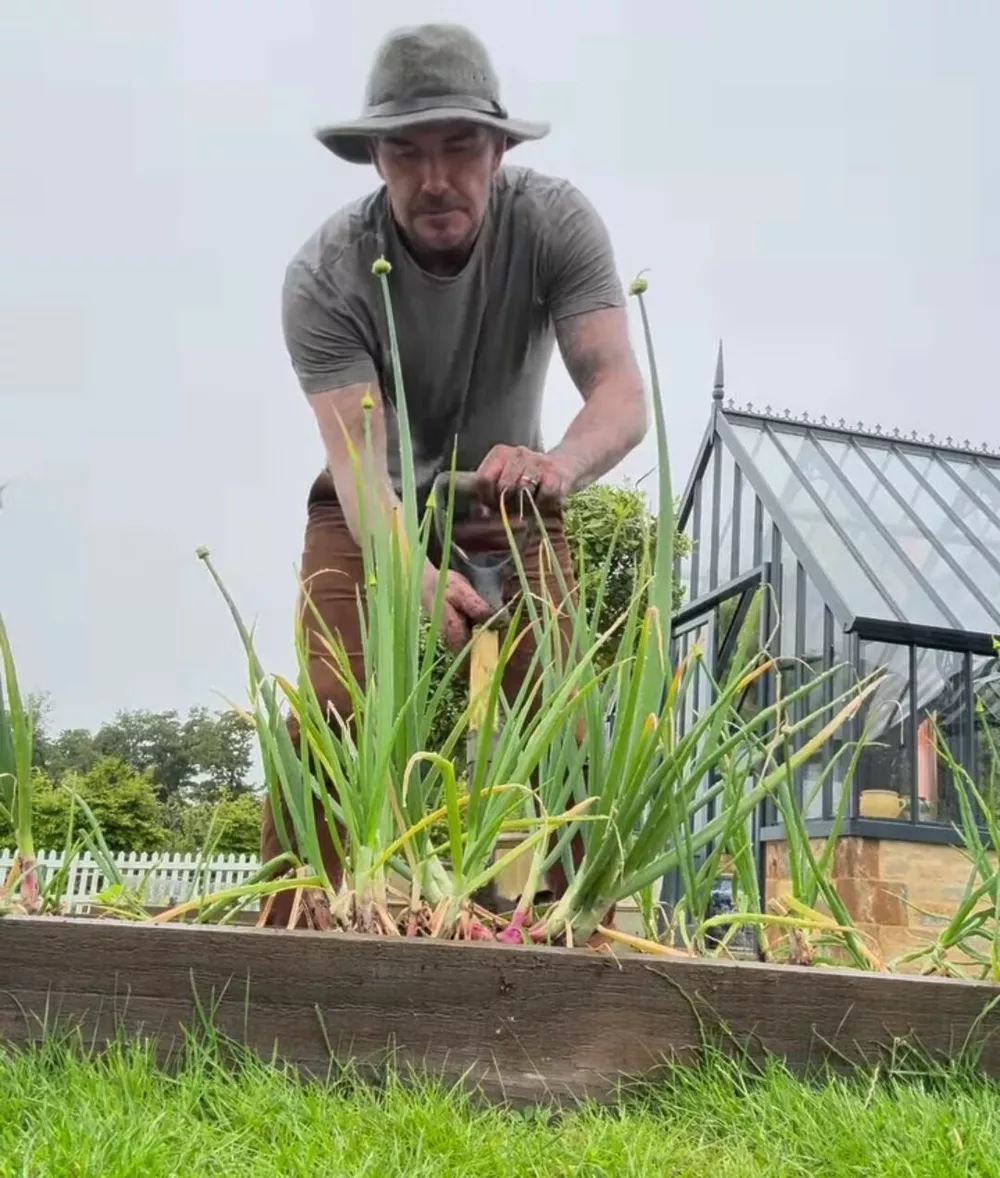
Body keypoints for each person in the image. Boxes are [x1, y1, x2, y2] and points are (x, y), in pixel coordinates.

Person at [262, 22, 648, 928]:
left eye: (460, 147)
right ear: (375, 160)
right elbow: (360, 468)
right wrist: (409, 572)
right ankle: (301, 929)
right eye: (406, 151)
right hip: (372, 511)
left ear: (501, 148)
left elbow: (620, 394)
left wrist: (558, 466)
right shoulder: (326, 276)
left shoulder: (555, 224)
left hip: (515, 496)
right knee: (334, 705)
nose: (435, 178)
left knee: (560, 711)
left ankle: (564, 933)